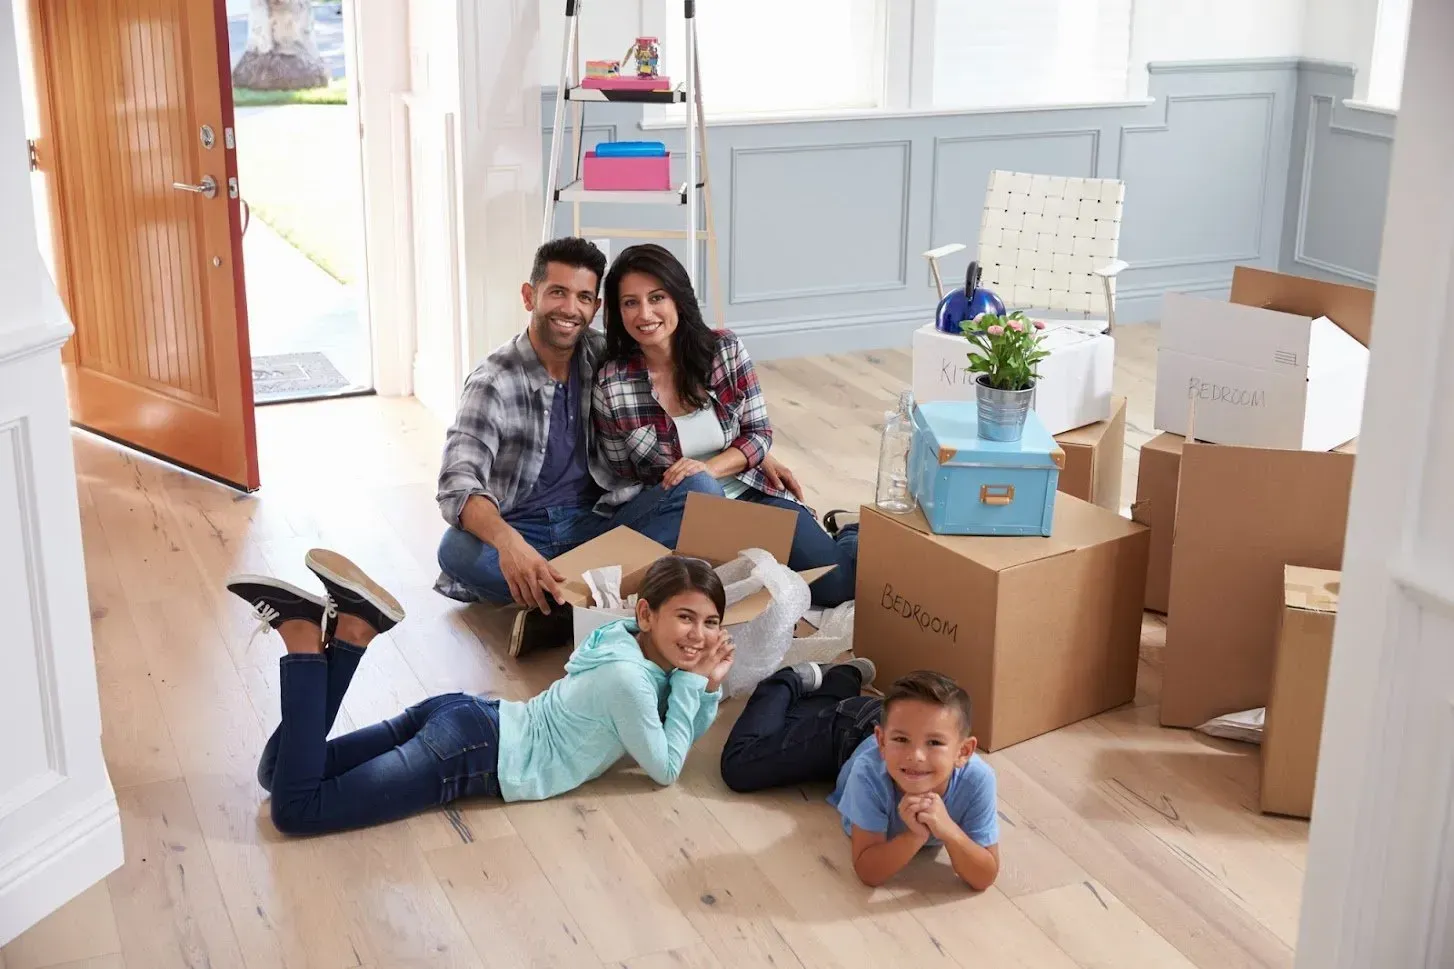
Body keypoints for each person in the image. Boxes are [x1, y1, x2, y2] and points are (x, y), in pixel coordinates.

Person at [432, 236, 798, 656]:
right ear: (529, 296)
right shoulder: (493, 381)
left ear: (596, 307)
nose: (571, 309)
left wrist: (754, 449)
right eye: (557, 293)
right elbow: (457, 482)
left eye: (584, 297)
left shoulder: (602, 352)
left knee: (702, 493)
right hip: (526, 529)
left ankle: (567, 607)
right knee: (456, 550)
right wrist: (510, 544)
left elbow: (671, 389)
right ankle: (601, 600)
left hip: (601, 520)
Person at [230, 550, 735, 836]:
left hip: (466, 717)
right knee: (297, 810)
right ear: (646, 614)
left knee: (278, 773)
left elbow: (674, 733)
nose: (698, 635)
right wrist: (698, 682)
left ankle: (351, 634)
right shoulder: (629, 681)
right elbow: (666, 767)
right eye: (685, 618)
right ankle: (302, 637)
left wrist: (703, 689)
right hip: (471, 753)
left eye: (711, 623)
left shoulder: (623, 644)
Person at [592, 243, 859, 607]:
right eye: (630, 302)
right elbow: (621, 475)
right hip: (679, 515)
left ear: (678, 299)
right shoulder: (612, 382)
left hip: (751, 496)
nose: (645, 313)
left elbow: (759, 433)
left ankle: (850, 533)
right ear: (617, 311)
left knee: (838, 588)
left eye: (657, 297)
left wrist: (710, 468)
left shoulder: (724, 349)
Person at [720, 663, 1000, 890]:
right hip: (848, 732)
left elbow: (985, 875)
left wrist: (949, 831)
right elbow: (867, 870)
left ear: (964, 751)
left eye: (935, 743)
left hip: (879, 726)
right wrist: (914, 837)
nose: (916, 756)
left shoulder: (977, 779)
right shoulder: (869, 771)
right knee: (740, 767)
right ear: (882, 741)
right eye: (902, 740)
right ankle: (787, 679)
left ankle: (843, 675)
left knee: (802, 727)